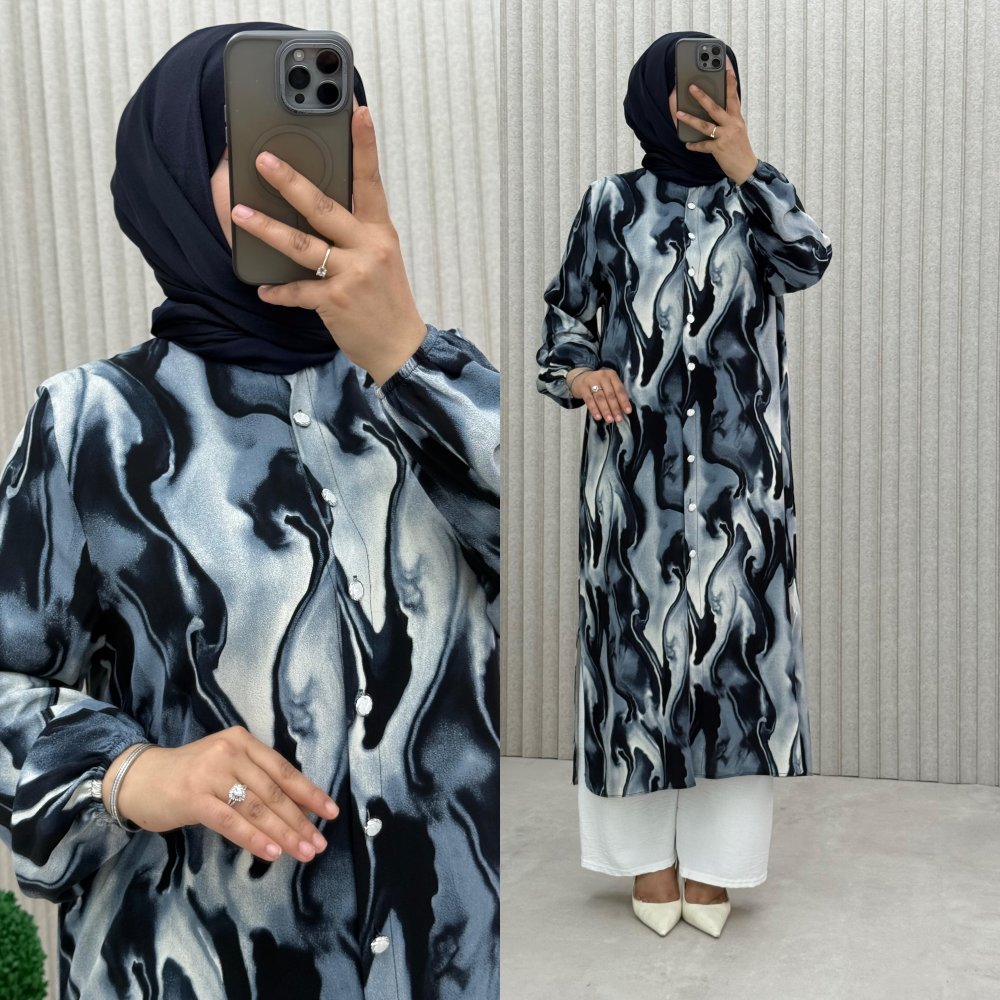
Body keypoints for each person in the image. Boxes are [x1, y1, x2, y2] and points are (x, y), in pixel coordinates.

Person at [0, 22, 499, 999]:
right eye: (260, 140)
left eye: (330, 133)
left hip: (442, 958)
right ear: (177, 175)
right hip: (187, 958)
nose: (301, 170)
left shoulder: (441, 391)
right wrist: (132, 771)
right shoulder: (91, 420)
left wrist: (409, 357)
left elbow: (581, 573)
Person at [535, 31, 831, 939]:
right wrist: (580, 373)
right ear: (653, 99)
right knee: (634, 663)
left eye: (724, 88)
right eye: (693, 89)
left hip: (742, 493)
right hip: (632, 485)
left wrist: (750, 167)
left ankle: (717, 865)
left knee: (736, 663)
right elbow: (564, 320)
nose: (708, 103)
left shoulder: (757, 200)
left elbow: (808, 261)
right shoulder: (610, 203)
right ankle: (645, 862)